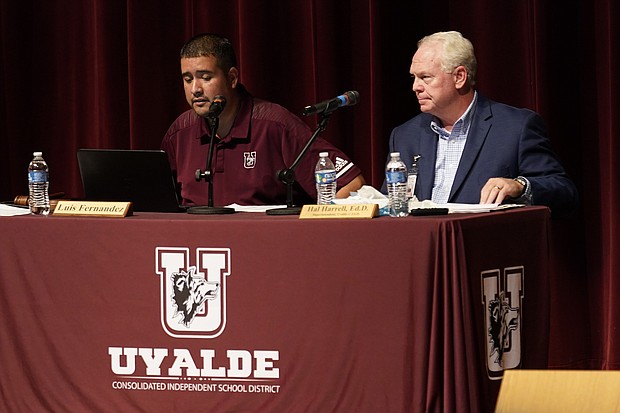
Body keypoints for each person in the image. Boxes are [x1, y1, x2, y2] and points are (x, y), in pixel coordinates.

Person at [382, 31, 578, 216]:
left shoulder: (516, 127)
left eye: (425, 77)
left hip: (486, 246)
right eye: (414, 77)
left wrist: (520, 186)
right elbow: (389, 204)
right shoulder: (404, 135)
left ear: (459, 77)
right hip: (423, 247)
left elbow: (564, 192)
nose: (415, 87)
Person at [161, 33, 365, 207]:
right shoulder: (179, 132)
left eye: (205, 77)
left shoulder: (275, 124)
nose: (195, 89)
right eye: (188, 79)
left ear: (232, 78)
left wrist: (314, 231)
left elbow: (351, 184)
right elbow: (158, 204)